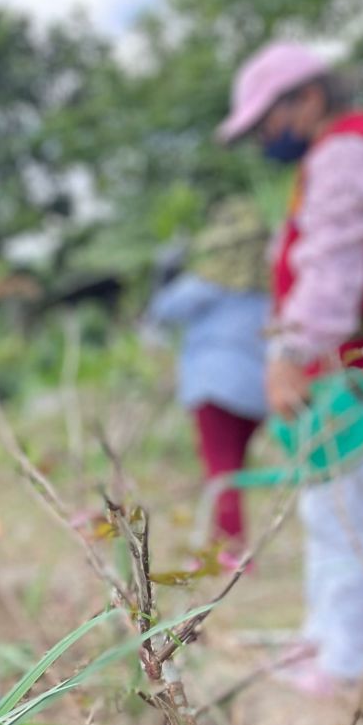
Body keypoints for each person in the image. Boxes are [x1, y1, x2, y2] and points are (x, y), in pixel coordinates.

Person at [218, 42, 363, 695]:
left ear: (307, 99)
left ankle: (340, 662)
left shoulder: (344, 152)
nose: (264, 138)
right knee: (329, 504)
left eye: (266, 123)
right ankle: (323, 639)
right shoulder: (362, 147)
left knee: (346, 507)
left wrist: (290, 356)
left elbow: (331, 268)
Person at [142, 196, 272, 563]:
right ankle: (225, 546)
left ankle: (231, 556)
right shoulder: (270, 289)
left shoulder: (205, 284)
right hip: (256, 392)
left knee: (221, 474)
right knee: (233, 473)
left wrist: (164, 276)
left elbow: (161, 311)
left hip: (213, 388)